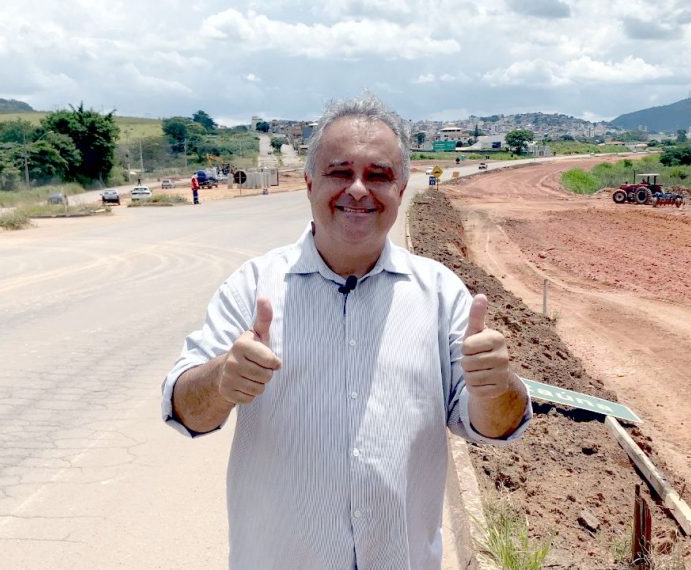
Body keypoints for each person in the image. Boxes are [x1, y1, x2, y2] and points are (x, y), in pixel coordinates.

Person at [162, 94, 531, 569]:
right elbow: (185, 410)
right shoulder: (253, 287)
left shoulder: (441, 295)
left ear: (401, 189)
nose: (358, 189)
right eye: (340, 172)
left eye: (378, 175)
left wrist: (497, 387)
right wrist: (220, 380)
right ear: (309, 181)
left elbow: (495, 425)